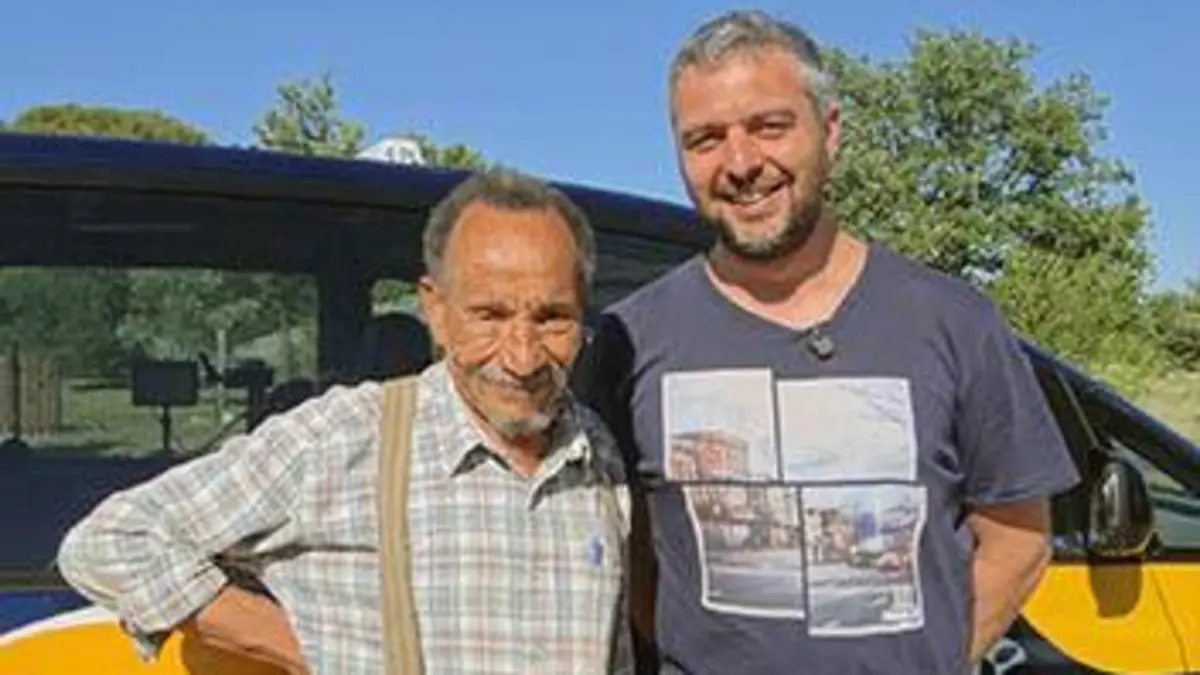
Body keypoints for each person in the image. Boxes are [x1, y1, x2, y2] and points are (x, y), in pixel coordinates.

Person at [580, 10, 1080, 675]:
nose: (740, 163)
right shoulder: (632, 337)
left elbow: (1018, 540)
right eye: (705, 139)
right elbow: (629, 553)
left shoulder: (955, 321)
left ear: (831, 130)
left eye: (769, 126)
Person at [57, 168, 633, 675]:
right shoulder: (347, 438)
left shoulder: (596, 452)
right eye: (489, 315)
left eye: (552, 318)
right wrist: (298, 647)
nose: (523, 357)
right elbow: (112, 542)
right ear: (435, 309)